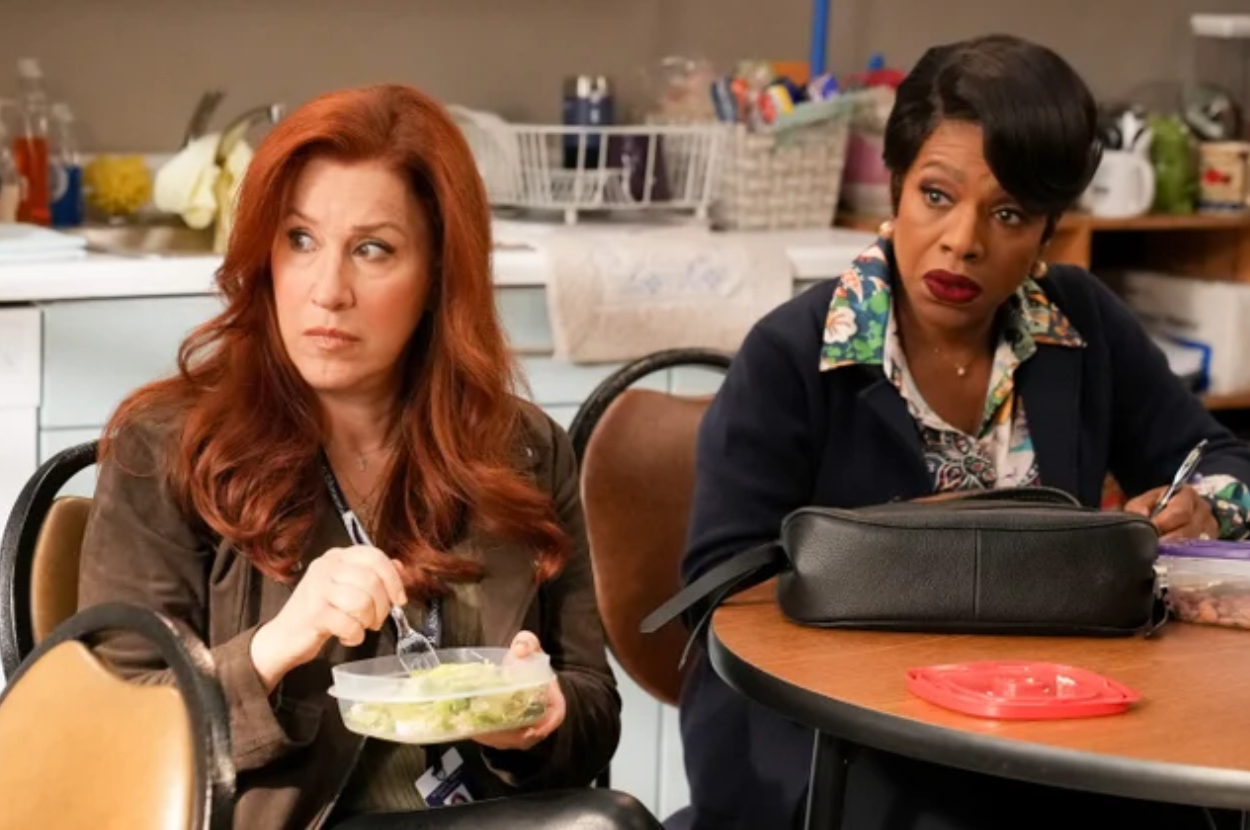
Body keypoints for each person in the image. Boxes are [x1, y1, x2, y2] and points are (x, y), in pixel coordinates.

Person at [679, 34, 1250, 830]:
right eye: (937, 196)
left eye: (1009, 213)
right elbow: (719, 591)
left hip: (1052, 718)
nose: (964, 241)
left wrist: (1204, 506)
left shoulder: (1081, 325)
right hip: (838, 733)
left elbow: (1224, 458)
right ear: (898, 188)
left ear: (1046, 233)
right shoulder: (792, 354)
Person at [77, 84, 620, 829]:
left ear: (436, 276)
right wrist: (274, 647)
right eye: (300, 240)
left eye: (373, 250)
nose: (327, 291)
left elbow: (591, 703)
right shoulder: (165, 447)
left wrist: (535, 717)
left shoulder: (520, 449)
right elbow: (111, 741)